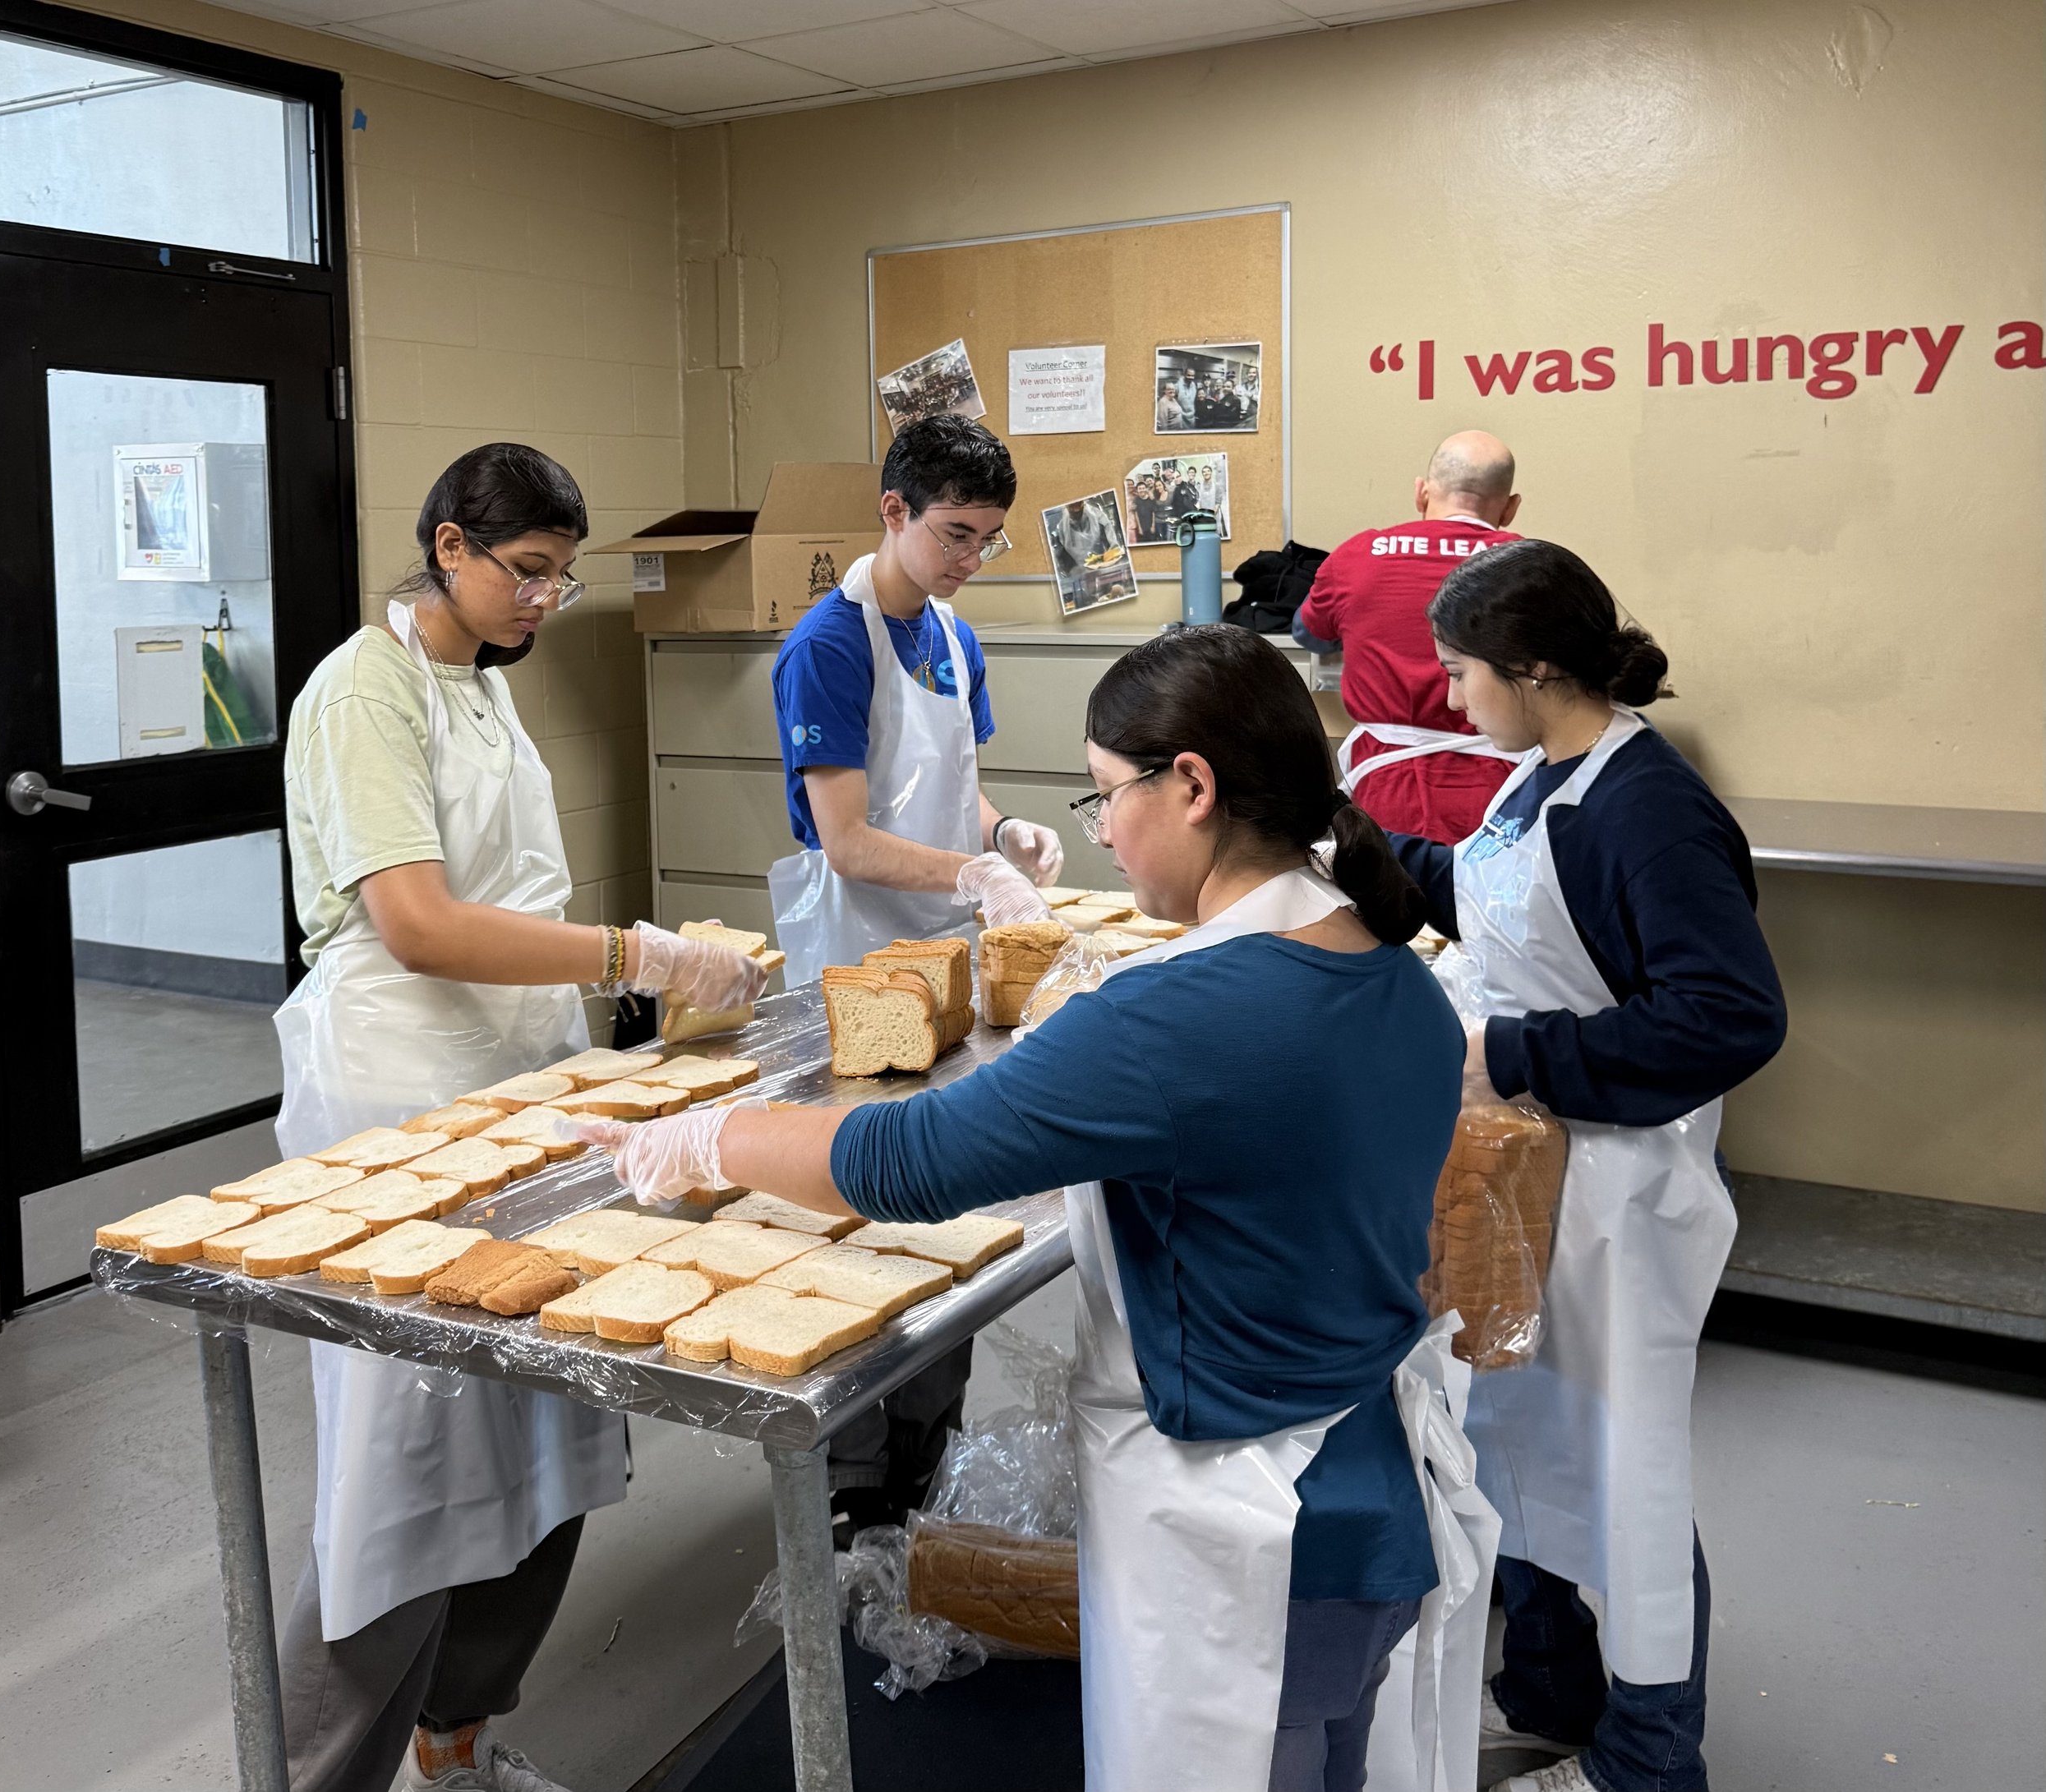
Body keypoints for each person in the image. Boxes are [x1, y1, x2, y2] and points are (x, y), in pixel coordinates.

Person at [579, 626, 1496, 1792]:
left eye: (1106, 794)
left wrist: (707, 1138)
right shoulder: (1393, 971)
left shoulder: (1178, 1018)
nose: (1101, 829)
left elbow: (911, 1158)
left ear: (1195, 786)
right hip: (1373, 1494)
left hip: (1251, 1539)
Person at [273, 444, 769, 1792]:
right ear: (446, 547)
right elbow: (420, 924)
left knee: (544, 1429)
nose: (545, 602)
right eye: (525, 571)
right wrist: (639, 958)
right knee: (402, 1463)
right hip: (393, 1094)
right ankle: (323, 1772)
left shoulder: (484, 689)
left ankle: (458, 1742)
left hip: (514, 1083)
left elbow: (514, 901)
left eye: (563, 575)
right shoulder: (363, 689)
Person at [1385, 541, 1788, 1792]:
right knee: (1511, 1437)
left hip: (1621, 1205)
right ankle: (1552, 1692)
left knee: (1623, 1472)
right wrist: (1352, 848)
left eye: (1464, 675)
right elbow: (1493, 897)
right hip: (1528, 1191)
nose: (1450, 699)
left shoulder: (1649, 809)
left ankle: (1651, 1760)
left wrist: (1507, 1050)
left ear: (1537, 666)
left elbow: (1730, 1017)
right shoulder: (1542, 776)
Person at [767, 413, 1061, 1531]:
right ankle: (851, 1486)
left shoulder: (953, 633)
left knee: (947, 1205)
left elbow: (952, 788)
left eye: (987, 538)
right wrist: (973, 873)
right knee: (862, 1218)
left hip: (946, 963)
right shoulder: (829, 648)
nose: (968, 559)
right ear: (893, 513)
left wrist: (1008, 833)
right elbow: (846, 837)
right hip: (858, 962)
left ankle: (924, 1459)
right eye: (952, 534)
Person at [1293, 431, 1526, 843]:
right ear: (1509, 509)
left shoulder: (1357, 557)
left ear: (1422, 493)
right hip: (1503, 790)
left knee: (1390, 901)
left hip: (1386, 787)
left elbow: (1310, 633)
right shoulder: (1529, 564)